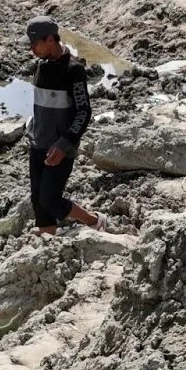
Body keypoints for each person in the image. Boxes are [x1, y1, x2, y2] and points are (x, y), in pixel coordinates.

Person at [24, 16, 109, 235]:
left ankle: (94, 221)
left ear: (50, 39)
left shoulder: (73, 70)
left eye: (35, 44)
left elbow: (84, 111)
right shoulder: (40, 67)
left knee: (50, 200)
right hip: (38, 144)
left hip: (60, 148)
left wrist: (64, 144)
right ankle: (47, 243)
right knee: (38, 202)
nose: (31, 49)